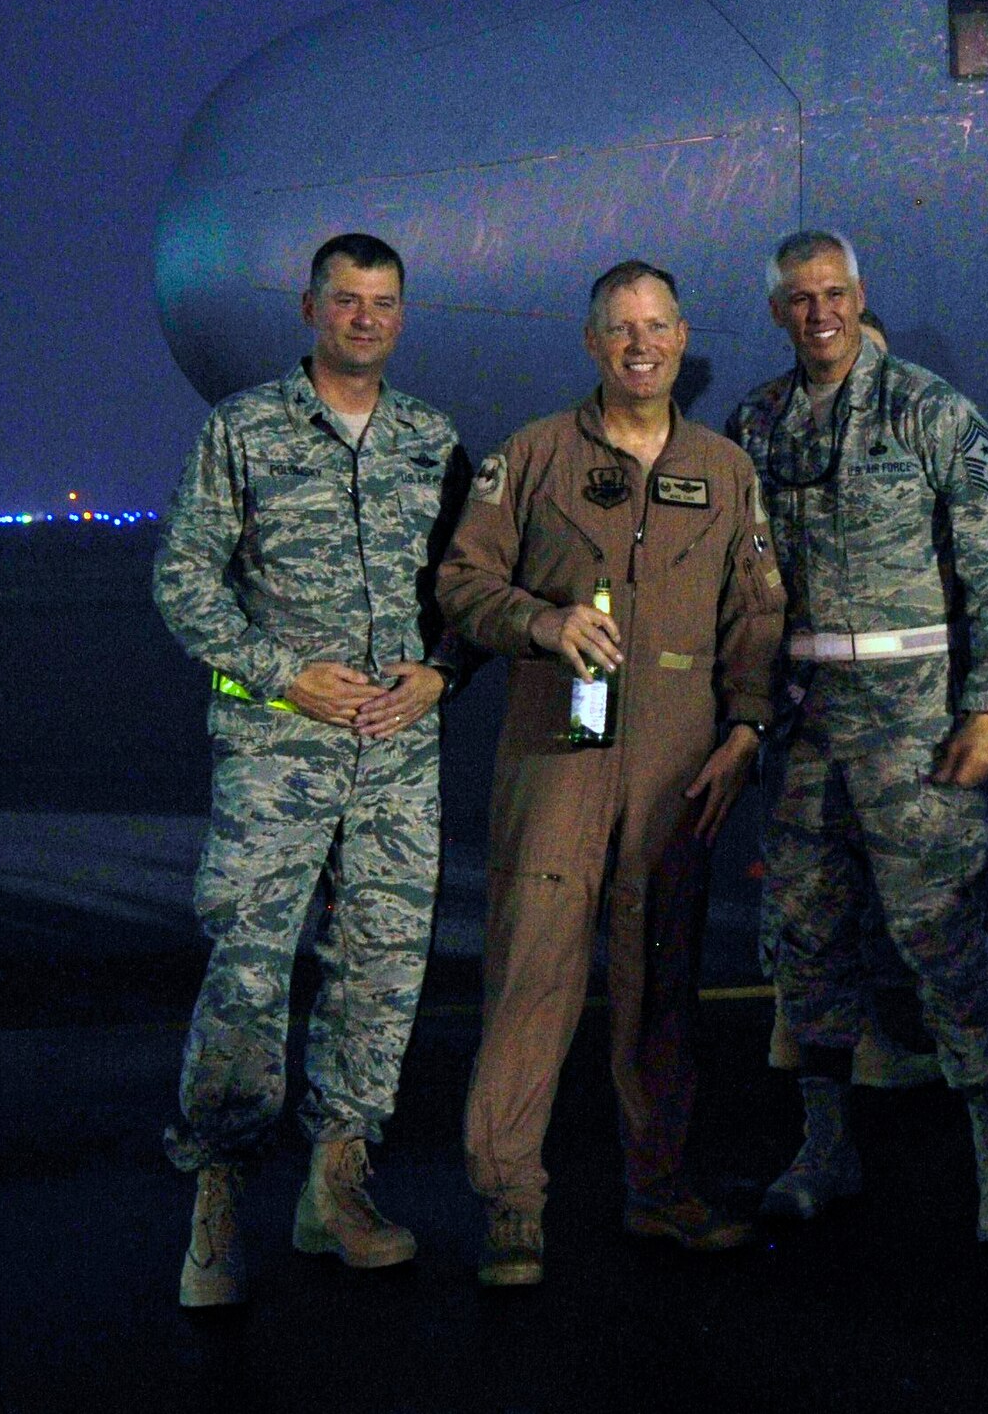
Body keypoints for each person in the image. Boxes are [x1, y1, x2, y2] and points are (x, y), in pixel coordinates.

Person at [437, 259, 785, 1286]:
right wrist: (539, 621)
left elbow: (754, 611)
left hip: (681, 754)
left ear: (682, 339)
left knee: (661, 981)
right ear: (591, 343)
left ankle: (661, 1188)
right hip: (558, 745)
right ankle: (509, 1202)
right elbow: (461, 579)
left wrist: (747, 726)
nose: (639, 344)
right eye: (619, 328)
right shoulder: (532, 458)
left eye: (656, 326)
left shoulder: (723, 471)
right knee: (532, 972)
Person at [153, 231, 473, 1306]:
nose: (366, 318)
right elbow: (186, 582)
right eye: (346, 301)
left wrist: (442, 670)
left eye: (383, 302)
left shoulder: (432, 440)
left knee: (380, 967)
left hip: (396, 752)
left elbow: (468, 589)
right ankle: (218, 1191)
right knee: (247, 968)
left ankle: (337, 1180)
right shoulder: (241, 430)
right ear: (308, 310)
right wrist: (282, 673)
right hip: (277, 750)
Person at [727, 229, 988, 1241]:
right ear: (777, 311)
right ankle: (826, 1148)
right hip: (808, 721)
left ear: (859, 298)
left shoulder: (927, 410)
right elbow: (740, 577)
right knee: (805, 936)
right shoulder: (760, 422)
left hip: (912, 722)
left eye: (832, 293)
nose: (817, 312)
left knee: (937, 934)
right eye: (798, 298)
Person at [762, 303, 942, 1090]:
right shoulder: (787, 458)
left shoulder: (897, 454)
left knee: (828, 879)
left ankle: (800, 1032)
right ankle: (845, 1040)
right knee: (829, 880)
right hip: (818, 703)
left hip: (870, 702)